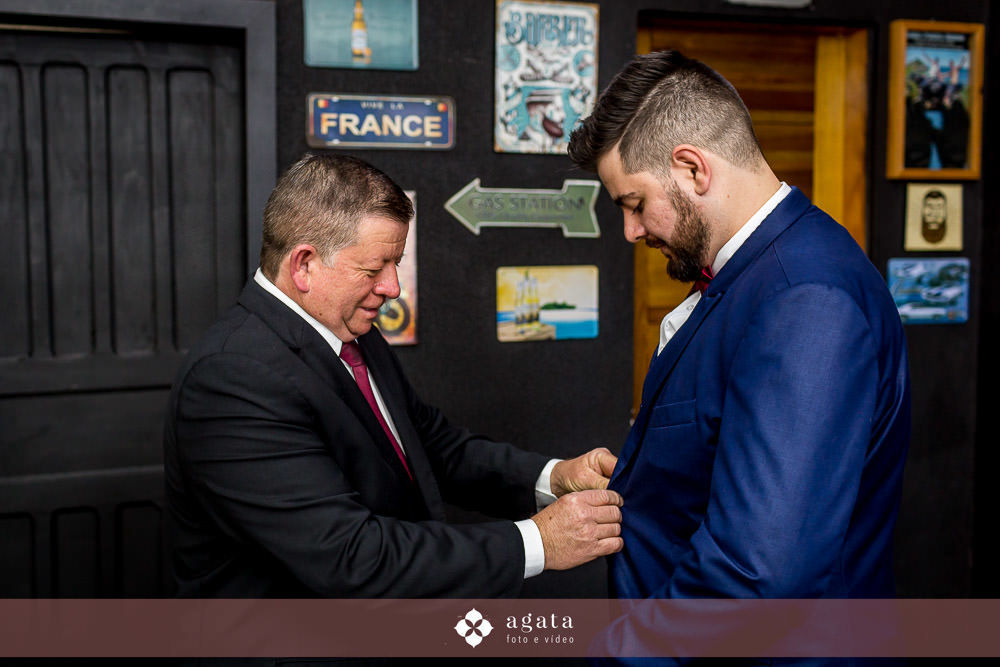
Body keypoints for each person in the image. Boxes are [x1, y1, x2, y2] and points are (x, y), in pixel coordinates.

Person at [567, 51, 910, 658]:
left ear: (692, 168)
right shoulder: (752, 275)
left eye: (634, 203)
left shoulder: (805, 299)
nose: (631, 230)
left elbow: (759, 573)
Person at [163, 153, 623, 598]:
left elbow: (431, 447)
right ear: (304, 265)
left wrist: (553, 477)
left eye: (395, 263)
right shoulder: (232, 378)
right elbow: (350, 557)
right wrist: (539, 542)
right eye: (373, 269)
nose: (393, 288)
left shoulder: (350, 330)